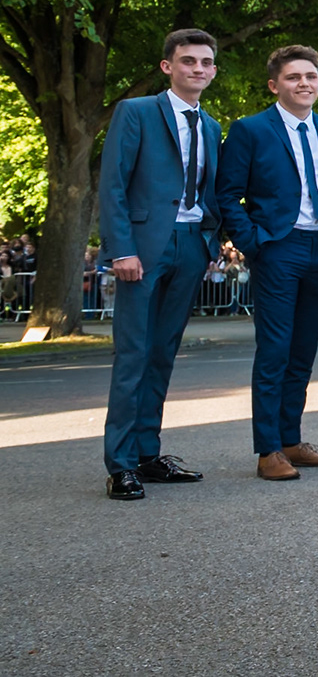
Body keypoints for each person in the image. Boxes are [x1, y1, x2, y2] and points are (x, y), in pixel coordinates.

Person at [97, 28, 224, 500]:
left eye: (205, 62)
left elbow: (212, 191)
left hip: (192, 245)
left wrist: (209, 244)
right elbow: (113, 183)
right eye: (188, 60)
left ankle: (148, 454)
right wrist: (121, 249)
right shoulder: (137, 112)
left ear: (213, 70)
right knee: (133, 354)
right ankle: (120, 464)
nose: (198, 69)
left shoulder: (211, 126)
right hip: (144, 248)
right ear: (168, 66)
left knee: (163, 354)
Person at [214, 44, 318, 480]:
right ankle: (268, 449)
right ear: (275, 85)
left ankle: (291, 439)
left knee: (303, 351)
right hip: (278, 247)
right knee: (274, 350)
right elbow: (226, 194)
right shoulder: (250, 130)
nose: (304, 83)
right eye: (294, 77)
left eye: (311, 76)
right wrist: (254, 243)